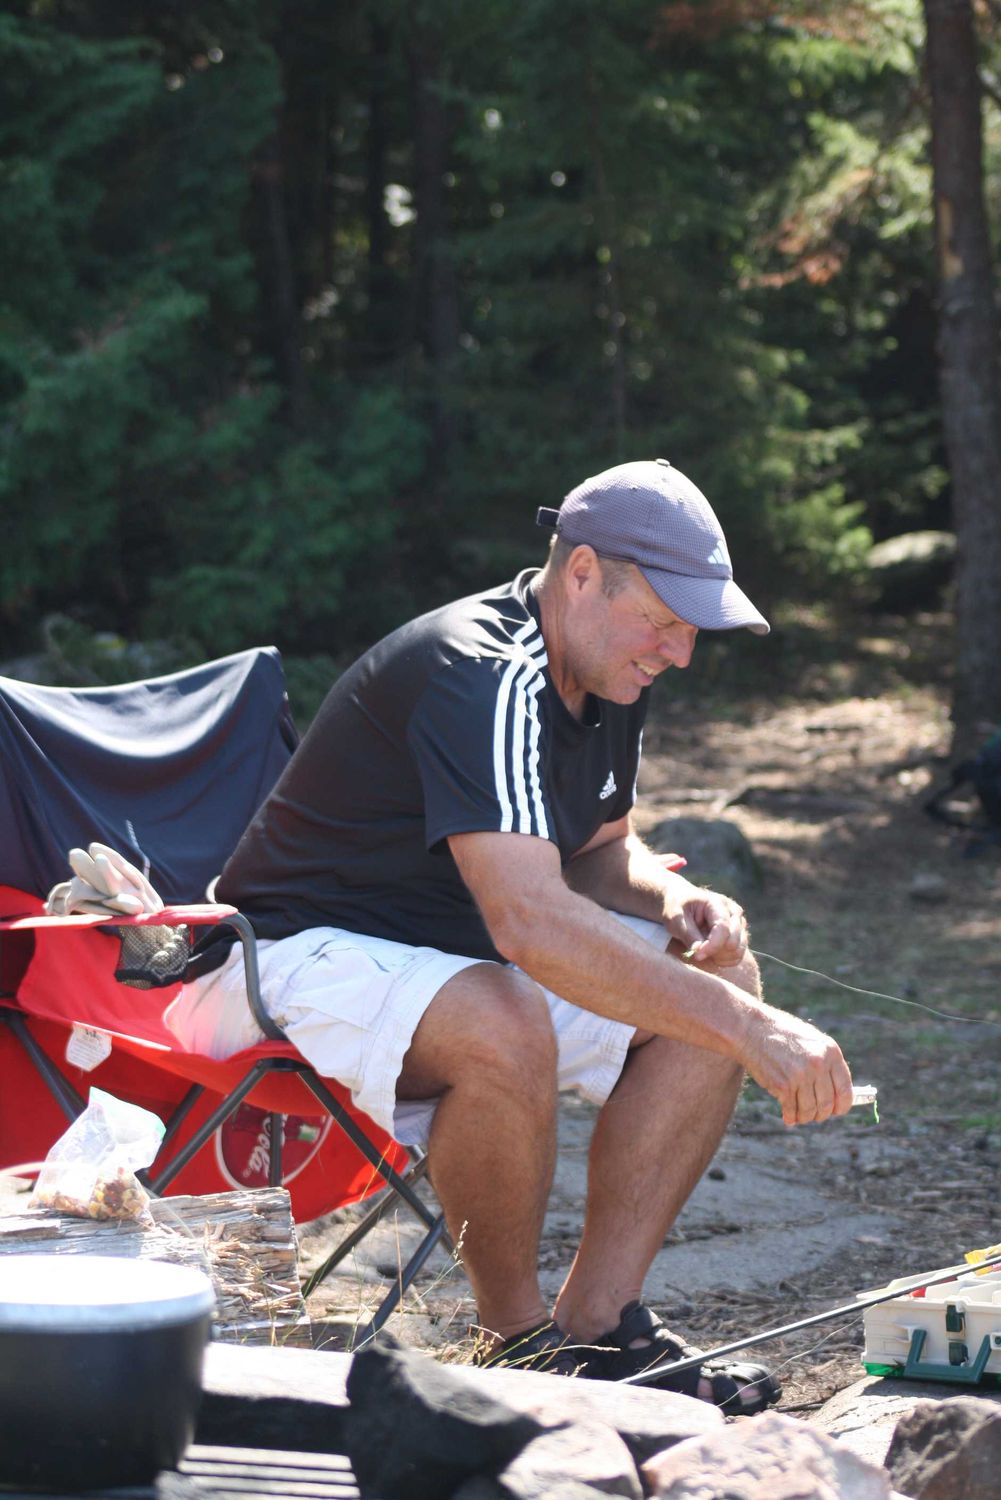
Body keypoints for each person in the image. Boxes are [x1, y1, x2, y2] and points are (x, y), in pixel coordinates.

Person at [54, 460, 856, 1411]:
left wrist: (673, 899)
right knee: (508, 1016)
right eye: (664, 620)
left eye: (690, 629)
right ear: (583, 573)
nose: (678, 652)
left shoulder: (608, 672)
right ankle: (518, 1348)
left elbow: (599, 851)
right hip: (277, 957)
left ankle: (602, 1328)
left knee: (718, 988)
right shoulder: (481, 671)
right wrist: (756, 1032)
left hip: (444, 960)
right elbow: (529, 922)